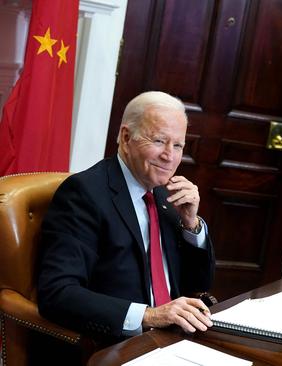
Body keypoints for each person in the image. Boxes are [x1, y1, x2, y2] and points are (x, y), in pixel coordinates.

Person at [38, 91, 215, 344]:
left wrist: (191, 225)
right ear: (125, 136)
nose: (169, 156)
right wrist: (149, 316)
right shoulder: (84, 194)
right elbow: (58, 293)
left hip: (174, 341)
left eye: (178, 145)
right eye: (158, 141)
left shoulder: (166, 196)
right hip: (117, 344)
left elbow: (199, 284)